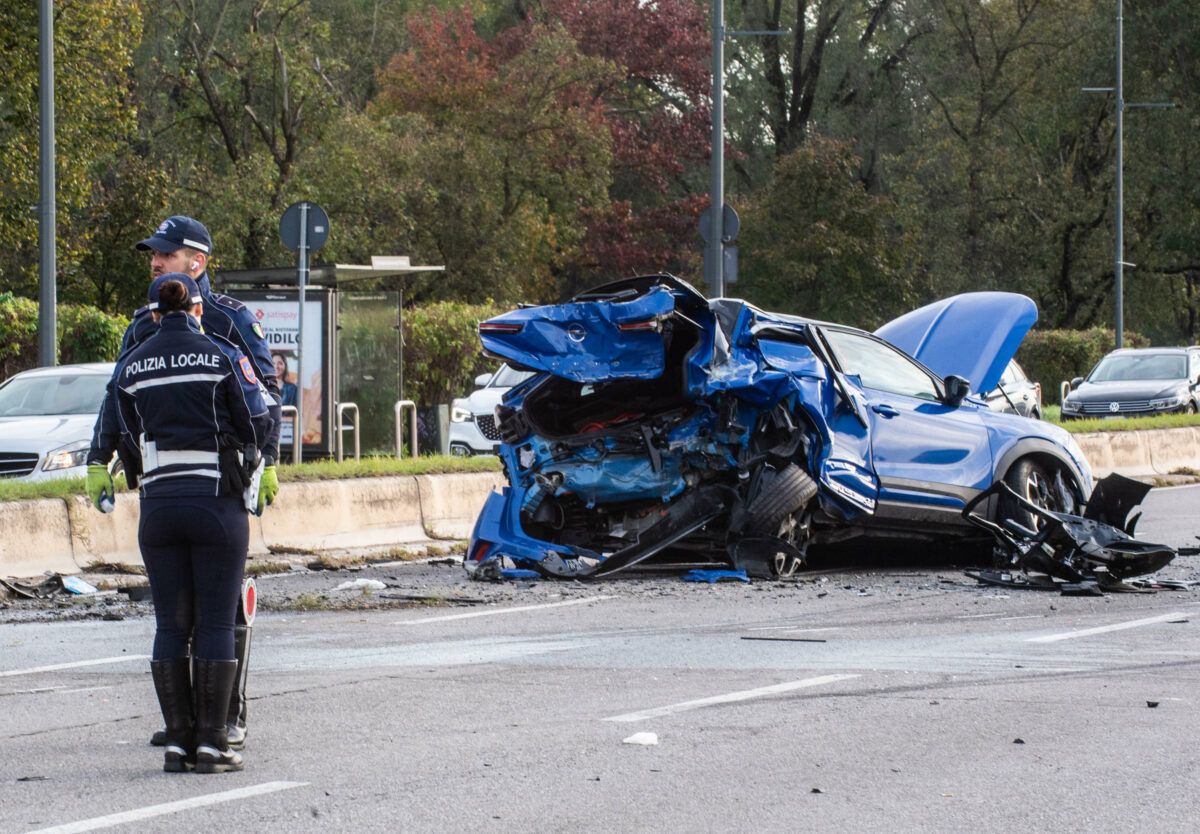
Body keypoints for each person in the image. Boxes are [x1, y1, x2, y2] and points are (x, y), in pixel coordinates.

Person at [88, 214, 280, 750]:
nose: (155, 260)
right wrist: (98, 459)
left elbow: (265, 393)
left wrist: (269, 463)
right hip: (163, 482)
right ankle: (191, 722)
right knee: (179, 604)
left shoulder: (231, 319)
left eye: (166, 254)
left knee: (223, 600)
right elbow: (115, 397)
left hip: (225, 480)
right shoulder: (143, 321)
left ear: (196, 263)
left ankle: (228, 714)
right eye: (153, 253)